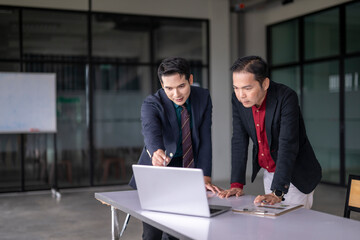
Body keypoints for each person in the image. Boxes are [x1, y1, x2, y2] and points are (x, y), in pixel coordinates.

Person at [129, 57, 221, 240]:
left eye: (181, 86)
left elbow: (204, 140)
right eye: (168, 88)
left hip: (186, 167)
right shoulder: (151, 103)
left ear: (191, 80)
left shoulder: (202, 97)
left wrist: (205, 177)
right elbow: (150, 130)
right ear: (162, 85)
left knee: (178, 231)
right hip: (158, 168)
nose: (176, 94)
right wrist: (157, 151)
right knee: (152, 233)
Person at [218, 56, 322, 209]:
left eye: (247, 88)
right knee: (274, 228)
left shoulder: (286, 97)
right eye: (236, 88)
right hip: (270, 171)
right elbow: (239, 139)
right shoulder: (238, 100)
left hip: (295, 173)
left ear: (265, 83)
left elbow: (288, 144)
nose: (241, 95)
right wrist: (236, 184)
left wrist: (278, 191)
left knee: (292, 229)